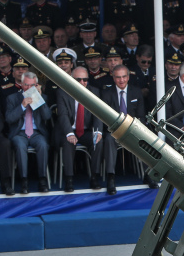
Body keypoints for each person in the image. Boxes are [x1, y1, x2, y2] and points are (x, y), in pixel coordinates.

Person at [101, 65, 145, 195]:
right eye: (118, 77)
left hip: (133, 129)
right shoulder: (106, 93)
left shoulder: (136, 92)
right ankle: (111, 177)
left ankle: (148, 175)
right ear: (113, 78)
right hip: (114, 131)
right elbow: (104, 117)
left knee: (145, 138)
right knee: (109, 140)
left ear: (128, 77)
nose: (121, 80)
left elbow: (141, 115)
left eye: (124, 77)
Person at [58, 67, 103, 192]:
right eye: (78, 80)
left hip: (86, 131)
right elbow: (63, 115)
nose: (82, 83)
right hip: (69, 130)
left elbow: (98, 114)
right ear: (71, 79)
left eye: (85, 80)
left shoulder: (94, 92)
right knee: (68, 143)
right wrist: (69, 133)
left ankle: (94, 177)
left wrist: (98, 131)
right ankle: (69, 179)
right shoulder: (63, 92)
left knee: (98, 141)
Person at [6, 72, 50, 194]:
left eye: (32, 85)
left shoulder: (43, 97)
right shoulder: (12, 98)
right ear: (21, 84)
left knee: (43, 145)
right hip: (19, 133)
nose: (29, 88)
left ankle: (42, 179)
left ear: (36, 85)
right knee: (20, 146)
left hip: (36, 132)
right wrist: (22, 106)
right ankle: (24, 181)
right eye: (26, 85)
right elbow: (9, 119)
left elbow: (47, 116)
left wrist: (40, 100)